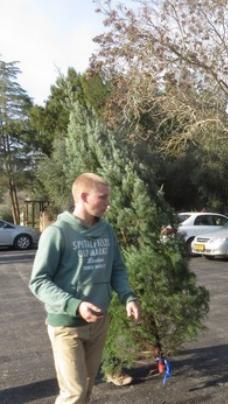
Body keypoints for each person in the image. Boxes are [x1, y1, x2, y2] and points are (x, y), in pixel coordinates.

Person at [29, 173, 141, 403]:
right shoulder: (57, 233)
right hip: (67, 326)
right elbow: (38, 281)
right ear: (82, 197)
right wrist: (75, 305)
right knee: (74, 393)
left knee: (88, 388)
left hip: (99, 323)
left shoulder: (106, 231)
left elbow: (117, 269)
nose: (108, 203)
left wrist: (128, 297)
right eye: (102, 197)